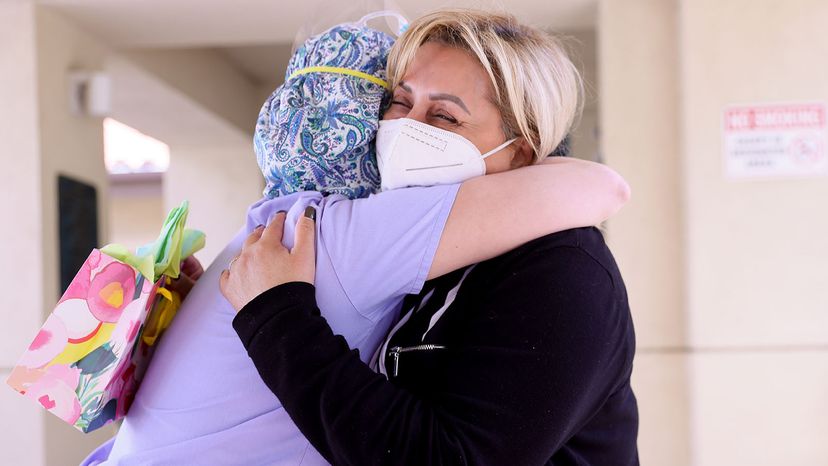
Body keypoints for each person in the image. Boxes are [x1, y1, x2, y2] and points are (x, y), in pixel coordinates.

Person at [83, 9, 628, 466]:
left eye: (443, 116)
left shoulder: (563, 273)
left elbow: (603, 188)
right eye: (398, 101)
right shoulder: (375, 236)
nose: (405, 128)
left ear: (525, 151)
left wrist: (276, 315)